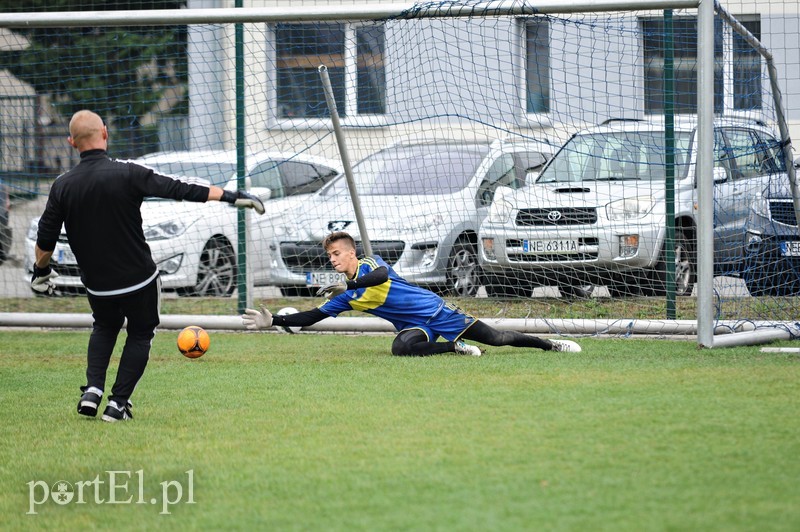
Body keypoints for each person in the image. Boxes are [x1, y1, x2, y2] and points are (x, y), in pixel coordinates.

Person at [32, 110, 266, 422]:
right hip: (138, 279)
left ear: (71, 142)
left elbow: (45, 238)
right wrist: (231, 196)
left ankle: (92, 390)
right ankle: (117, 404)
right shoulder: (129, 173)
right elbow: (180, 188)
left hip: (97, 284)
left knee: (104, 326)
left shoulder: (62, 185)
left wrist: (41, 272)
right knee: (141, 333)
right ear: (104, 133)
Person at [241, 231, 581, 356]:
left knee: (498, 338)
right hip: (418, 327)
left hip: (437, 312)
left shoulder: (369, 264)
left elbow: (380, 276)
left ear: (351, 253)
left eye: (336, 254)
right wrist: (274, 321)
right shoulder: (345, 295)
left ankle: (551, 344)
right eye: (329, 256)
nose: (332, 260)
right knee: (401, 348)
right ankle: (454, 348)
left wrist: (350, 285)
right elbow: (314, 316)